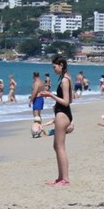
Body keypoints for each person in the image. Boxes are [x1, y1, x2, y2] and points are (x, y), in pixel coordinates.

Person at [40, 56, 73, 186]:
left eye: (54, 67)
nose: (53, 69)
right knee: (57, 146)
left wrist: (51, 95)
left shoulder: (65, 80)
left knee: (60, 147)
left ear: (61, 65)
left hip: (63, 114)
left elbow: (66, 101)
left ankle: (65, 178)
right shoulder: (66, 78)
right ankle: (60, 177)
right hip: (62, 113)